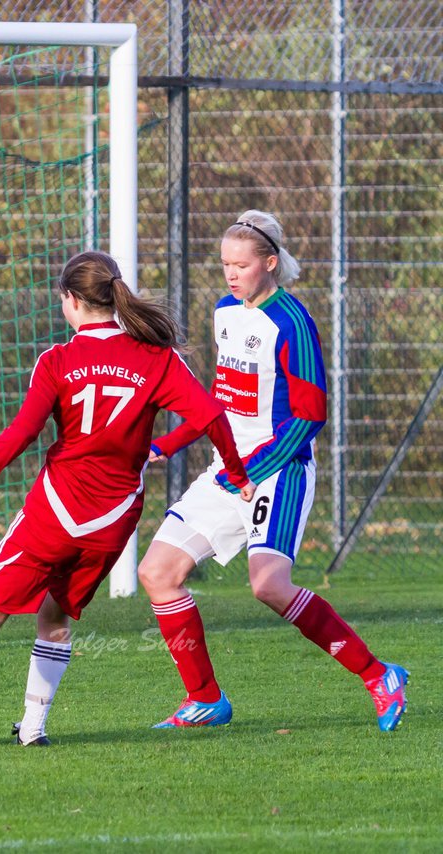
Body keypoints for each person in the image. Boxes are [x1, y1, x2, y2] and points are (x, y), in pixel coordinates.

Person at [0, 250, 255, 746]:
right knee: (56, 618)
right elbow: (212, 416)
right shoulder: (157, 357)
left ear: (70, 301)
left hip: (56, 510)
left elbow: (22, 432)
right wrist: (236, 475)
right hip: (112, 521)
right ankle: (32, 728)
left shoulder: (58, 360)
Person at [140, 210, 408, 731]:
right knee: (157, 574)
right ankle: (205, 699)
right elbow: (221, 401)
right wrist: (171, 443)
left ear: (270, 263)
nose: (231, 274)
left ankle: (381, 676)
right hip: (228, 471)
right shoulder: (224, 312)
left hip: (279, 471)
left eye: (241, 264)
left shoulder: (292, 321)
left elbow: (310, 415)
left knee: (268, 585)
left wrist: (250, 470)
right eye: (224, 264)